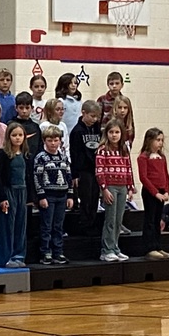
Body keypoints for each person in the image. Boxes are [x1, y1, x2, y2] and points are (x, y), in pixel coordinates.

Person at [0, 122, 33, 268]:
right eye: (14, 135)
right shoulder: (2, 155)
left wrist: (30, 198)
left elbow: (29, 177)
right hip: (8, 192)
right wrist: (2, 198)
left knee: (20, 226)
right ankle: (6, 257)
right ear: (8, 136)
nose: (17, 138)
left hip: (22, 192)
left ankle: (19, 255)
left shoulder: (26, 155)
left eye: (20, 135)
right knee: (7, 226)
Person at [34, 126, 73, 265]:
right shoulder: (41, 157)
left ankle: (58, 252)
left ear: (60, 141)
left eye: (56, 140)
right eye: (49, 140)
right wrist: (41, 196)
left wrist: (70, 195)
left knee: (58, 226)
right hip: (48, 196)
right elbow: (37, 178)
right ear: (44, 141)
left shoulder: (63, 156)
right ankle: (46, 252)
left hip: (62, 196)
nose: (53, 143)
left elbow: (68, 175)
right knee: (47, 226)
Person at [97, 119, 134, 262]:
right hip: (110, 187)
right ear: (107, 134)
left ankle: (115, 247)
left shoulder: (124, 149)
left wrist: (130, 187)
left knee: (119, 220)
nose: (114, 135)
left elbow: (128, 169)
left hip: (122, 186)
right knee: (110, 220)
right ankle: (106, 250)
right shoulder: (103, 149)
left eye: (117, 132)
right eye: (111, 132)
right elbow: (99, 171)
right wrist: (104, 189)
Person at [137, 128, 169, 260]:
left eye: (162, 140)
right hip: (150, 192)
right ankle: (149, 247)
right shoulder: (143, 157)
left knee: (158, 221)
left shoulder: (162, 157)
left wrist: (167, 191)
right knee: (150, 220)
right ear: (149, 140)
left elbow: (166, 176)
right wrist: (155, 193)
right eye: (158, 140)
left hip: (161, 192)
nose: (160, 143)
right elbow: (144, 178)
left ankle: (158, 246)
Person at [70, 99, 102, 235]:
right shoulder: (77, 131)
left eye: (96, 116)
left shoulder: (97, 129)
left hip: (95, 169)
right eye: (92, 116)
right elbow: (74, 154)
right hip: (83, 171)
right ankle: (84, 225)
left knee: (95, 197)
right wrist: (75, 174)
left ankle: (92, 223)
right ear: (84, 113)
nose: (94, 119)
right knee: (86, 199)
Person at [40, 98, 69, 162]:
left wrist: (68, 159)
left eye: (62, 109)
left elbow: (66, 145)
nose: (61, 112)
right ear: (50, 112)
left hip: (62, 159)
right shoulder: (44, 126)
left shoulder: (63, 125)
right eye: (58, 109)